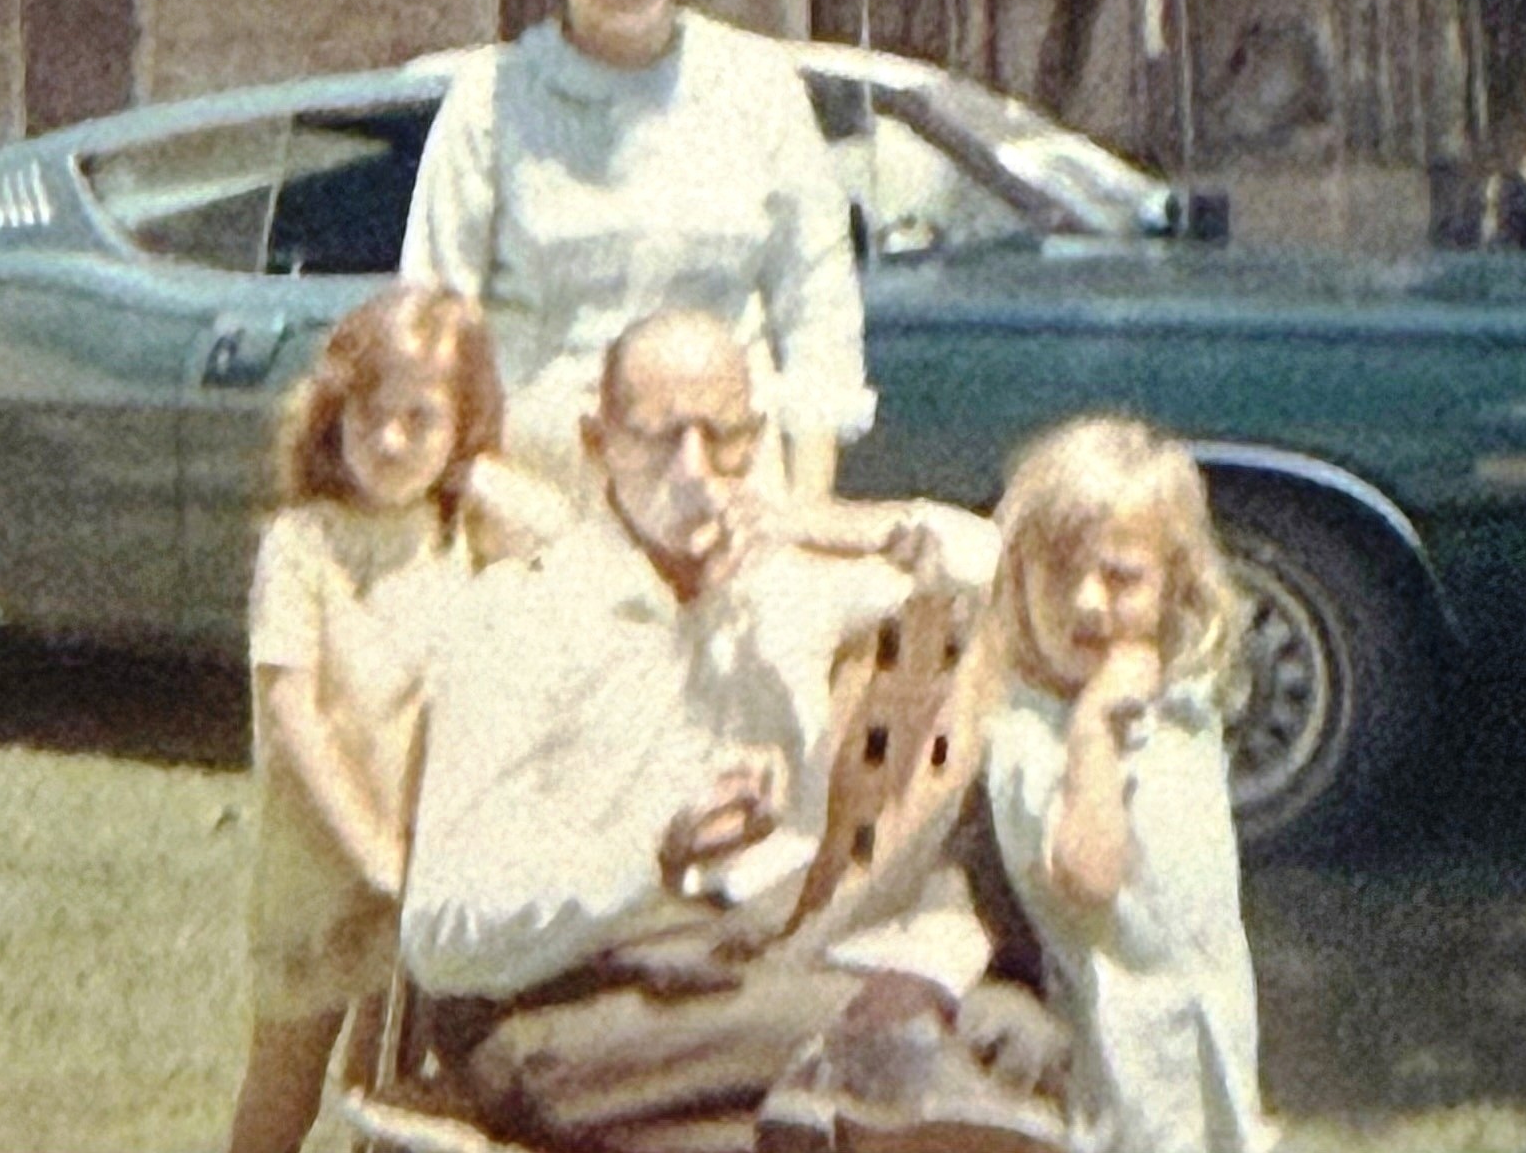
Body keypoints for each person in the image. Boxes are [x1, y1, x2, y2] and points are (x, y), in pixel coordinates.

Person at [395, 309, 1056, 1153]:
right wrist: (652, 855)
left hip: (744, 980)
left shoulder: (779, 590)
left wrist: (818, 523)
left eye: (724, 438)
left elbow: (996, 567)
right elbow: (439, 935)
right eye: (658, 438)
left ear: (758, 440)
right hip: (557, 1006)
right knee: (895, 1045)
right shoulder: (521, 618)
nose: (695, 472)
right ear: (598, 444)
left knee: (1018, 1039)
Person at [400, 0, 872, 504]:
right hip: (547, 506)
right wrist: (496, 502)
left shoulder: (760, 91)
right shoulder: (491, 104)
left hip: (729, 505)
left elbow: (818, 319)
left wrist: (799, 518)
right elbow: (431, 342)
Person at [226, 285, 569, 1153]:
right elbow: (291, 713)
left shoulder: (456, 532)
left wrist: (472, 471)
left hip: (426, 866)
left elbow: (566, 544)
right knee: (287, 1078)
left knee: (384, 1084)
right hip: (321, 861)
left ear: (461, 429)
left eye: (421, 420)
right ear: (333, 413)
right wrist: (370, 851)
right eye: (371, 415)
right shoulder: (302, 545)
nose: (389, 441)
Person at [981, 418, 1272, 1153]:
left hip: (1204, 1024)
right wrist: (1091, 733)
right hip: (1119, 1062)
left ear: (1174, 583)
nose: (1087, 601)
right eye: (1060, 571)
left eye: (1120, 577)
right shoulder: (1031, 739)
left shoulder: (1178, 705)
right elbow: (1089, 876)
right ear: (1018, 579)